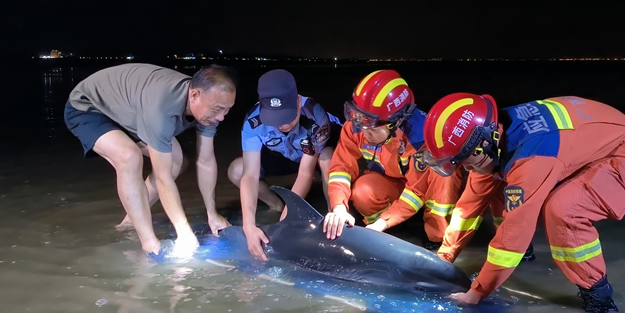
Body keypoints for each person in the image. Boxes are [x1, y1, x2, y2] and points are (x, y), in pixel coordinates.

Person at [421, 93, 625, 313]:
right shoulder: (490, 136)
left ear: (482, 145)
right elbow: (468, 207)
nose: (465, 168)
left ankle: (599, 299)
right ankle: (525, 259)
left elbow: (515, 232)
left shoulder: (531, 156)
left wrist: (476, 294)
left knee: (563, 211)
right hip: (595, 142)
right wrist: (445, 257)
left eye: (464, 160)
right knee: (492, 185)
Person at [64, 63, 237, 255]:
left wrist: (212, 214)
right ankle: (149, 243)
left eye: (227, 110)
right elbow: (163, 178)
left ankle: (128, 224)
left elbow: (205, 161)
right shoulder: (161, 108)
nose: (221, 117)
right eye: (217, 109)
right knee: (129, 156)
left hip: (129, 111)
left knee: (177, 160)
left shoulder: (209, 111)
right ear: (194, 95)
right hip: (88, 108)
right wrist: (184, 230)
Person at [321, 70, 462, 249]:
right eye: (360, 123)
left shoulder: (421, 137)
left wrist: (382, 223)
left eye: (372, 128)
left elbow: (416, 192)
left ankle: (437, 236)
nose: (365, 133)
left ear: (396, 123)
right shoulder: (357, 126)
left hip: (424, 190)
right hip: (394, 184)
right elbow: (341, 168)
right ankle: (389, 228)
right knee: (363, 190)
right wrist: (338, 208)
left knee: (444, 177)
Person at [230, 69, 342, 260]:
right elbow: (249, 175)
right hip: (283, 153)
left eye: (288, 116)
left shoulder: (315, 115)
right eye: (274, 119)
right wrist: (249, 226)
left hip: (316, 152)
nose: (282, 124)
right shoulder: (253, 121)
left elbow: (305, 174)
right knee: (237, 170)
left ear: (298, 102)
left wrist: (282, 225)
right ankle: (277, 205)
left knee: (328, 158)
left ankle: (334, 218)